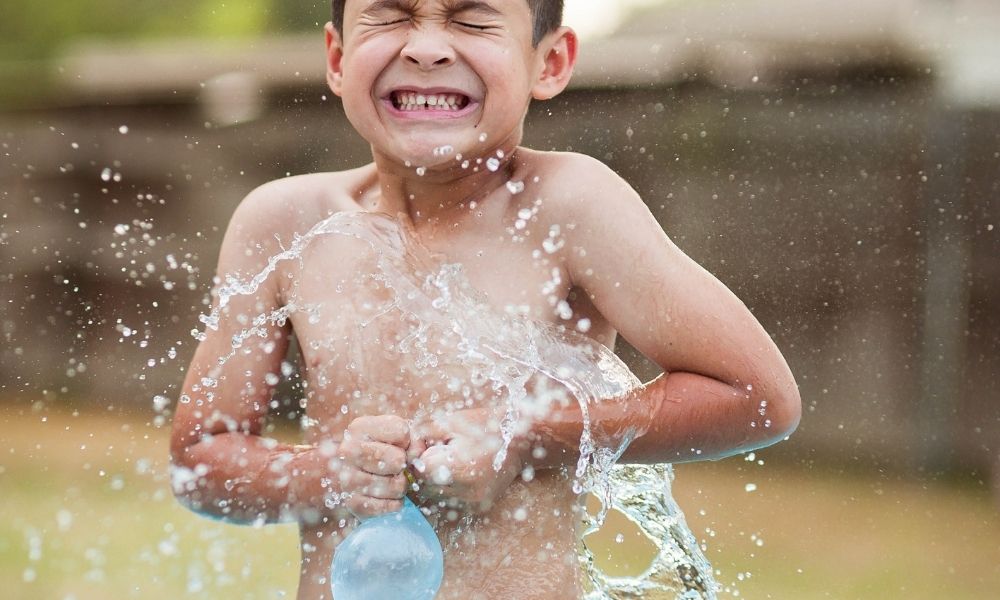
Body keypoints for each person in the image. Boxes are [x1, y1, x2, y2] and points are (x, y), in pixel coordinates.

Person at [169, 0, 802, 598]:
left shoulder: (567, 207)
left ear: (548, 63)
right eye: (390, 15)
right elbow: (201, 460)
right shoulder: (286, 222)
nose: (426, 48)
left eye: (472, 20)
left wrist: (525, 438)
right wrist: (329, 474)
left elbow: (757, 396)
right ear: (337, 58)